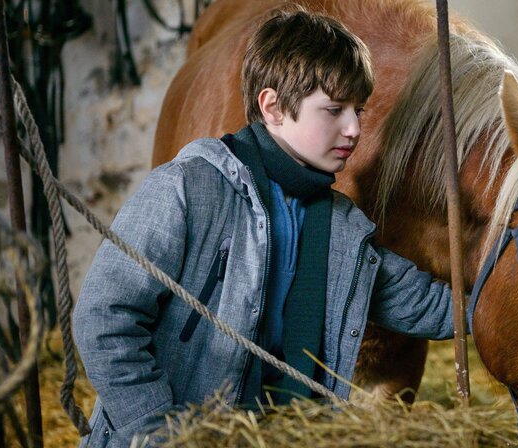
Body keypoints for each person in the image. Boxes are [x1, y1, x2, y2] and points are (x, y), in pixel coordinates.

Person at [73, 6, 454, 447]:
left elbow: (423, 304)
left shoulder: (343, 226)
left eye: (358, 110)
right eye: (334, 110)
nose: (353, 129)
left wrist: (501, 288)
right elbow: (103, 318)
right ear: (272, 107)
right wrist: (158, 431)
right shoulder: (185, 188)